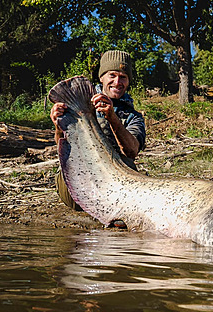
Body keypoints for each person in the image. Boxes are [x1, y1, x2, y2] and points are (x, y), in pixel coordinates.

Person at [50, 50, 146, 211]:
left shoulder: (134, 117)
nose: (117, 82)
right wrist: (58, 125)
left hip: (116, 182)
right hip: (79, 181)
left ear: (128, 81)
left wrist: (112, 117)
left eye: (123, 77)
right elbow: (62, 144)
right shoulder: (79, 105)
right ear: (101, 78)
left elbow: (132, 151)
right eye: (112, 76)